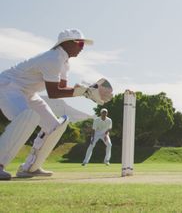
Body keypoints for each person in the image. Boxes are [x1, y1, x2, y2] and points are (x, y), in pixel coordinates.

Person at [0, 29, 111, 180]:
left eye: (83, 44)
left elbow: (63, 89)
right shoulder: (53, 58)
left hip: (28, 93)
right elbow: (54, 93)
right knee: (28, 117)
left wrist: (86, 91)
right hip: (8, 87)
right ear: (66, 43)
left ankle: (30, 167)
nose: (82, 47)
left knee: (54, 126)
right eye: (79, 43)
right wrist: (82, 92)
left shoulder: (64, 63)